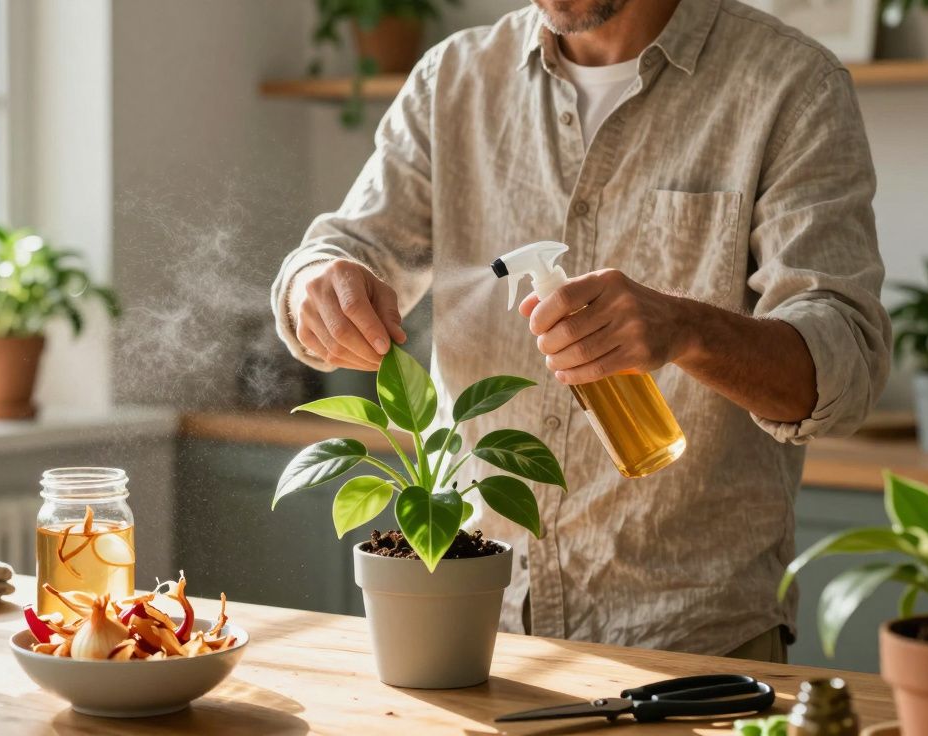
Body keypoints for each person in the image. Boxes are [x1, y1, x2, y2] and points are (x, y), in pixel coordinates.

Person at [270, 0, 890, 663]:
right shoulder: (452, 80)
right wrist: (318, 283)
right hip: (472, 621)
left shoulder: (790, 84)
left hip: (692, 641)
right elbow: (347, 245)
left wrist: (686, 328)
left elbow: (842, 363)